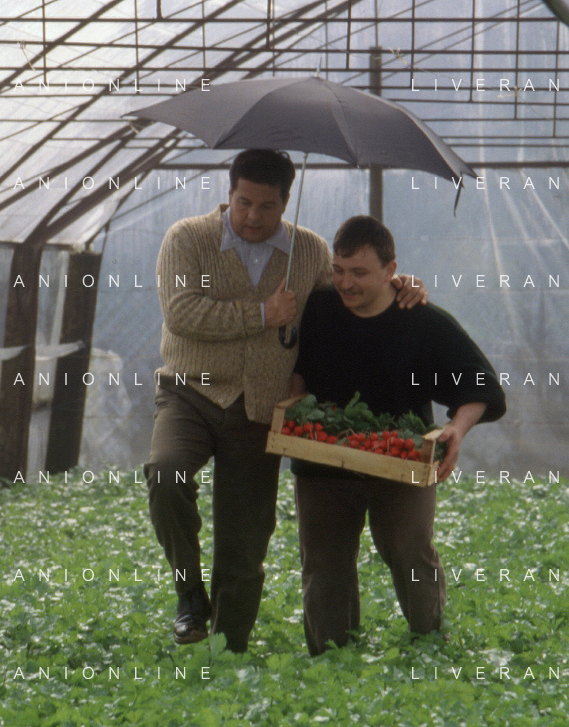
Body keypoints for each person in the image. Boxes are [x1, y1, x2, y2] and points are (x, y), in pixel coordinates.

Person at [144, 150, 428, 652]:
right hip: (190, 392)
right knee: (165, 473)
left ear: (286, 201)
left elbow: (347, 302)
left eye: (267, 206)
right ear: (229, 194)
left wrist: (395, 285)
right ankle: (189, 592)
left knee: (246, 536)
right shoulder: (187, 238)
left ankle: (227, 647)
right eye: (244, 203)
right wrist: (262, 314)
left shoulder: (310, 252)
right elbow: (181, 311)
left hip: (261, 409)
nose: (253, 216)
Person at [289, 214, 506, 656]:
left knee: (410, 550)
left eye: (359, 273)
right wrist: (294, 398)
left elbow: (482, 385)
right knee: (324, 564)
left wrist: (456, 428)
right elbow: (295, 369)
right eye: (338, 270)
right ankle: (331, 658)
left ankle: (430, 644)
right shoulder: (318, 309)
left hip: (403, 459)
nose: (345, 283)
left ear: (391, 271)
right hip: (323, 461)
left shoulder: (422, 321)